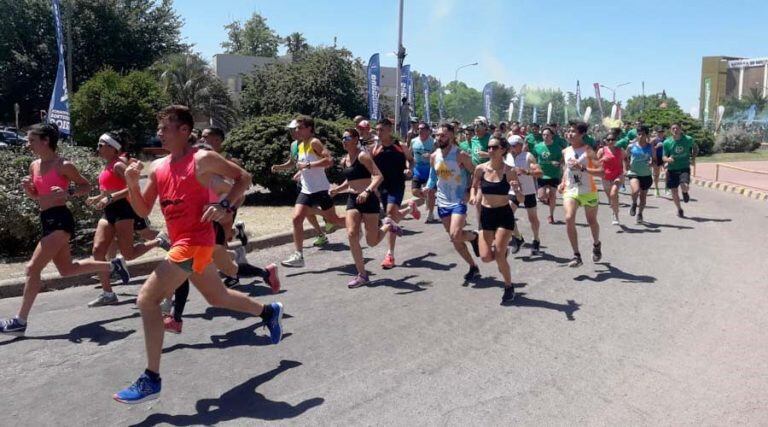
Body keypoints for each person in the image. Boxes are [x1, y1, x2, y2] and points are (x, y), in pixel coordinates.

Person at [113, 105, 284, 404]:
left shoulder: (202, 159)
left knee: (147, 299)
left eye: (165, 128)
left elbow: (244, 177)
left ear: (184, 131)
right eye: (159, 128)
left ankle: (151, 378)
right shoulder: (159, 166)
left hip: (196, 241)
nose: (159, 133)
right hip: (182, 240)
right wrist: (130, 183)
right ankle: (269, 312)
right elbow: (142, 210)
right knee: (218, 299)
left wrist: (226, 206)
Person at [0, 124, 130, 336]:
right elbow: (38, 197)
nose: (28, 144)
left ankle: (20, 321)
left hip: (61, 220)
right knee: (67, 270)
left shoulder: (63, 165)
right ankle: (112, 265)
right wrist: (29, 190)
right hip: (46, 218)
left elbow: (85, 186)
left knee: (32, 269)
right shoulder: (34, 165)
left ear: (45, 141)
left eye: (31, 140)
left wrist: (67, 190)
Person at [86, 132, 166, 307]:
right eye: (98, 145)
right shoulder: (107, 166)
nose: (98, 148)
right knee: (98, 251)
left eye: (101, 145)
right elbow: (108, 189)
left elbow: (132, 188)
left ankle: (159, 240)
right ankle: (108, 294)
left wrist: (110, 197)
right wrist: (99, 197)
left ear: (113, 148)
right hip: (109, 212)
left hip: (124, 211)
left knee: (128, 254)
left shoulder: (118, 166)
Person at [330, 128, 402, 288]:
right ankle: (362, 274)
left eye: (347, 137)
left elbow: (378, 176)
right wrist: (337, 189)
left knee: (372, 242)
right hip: (353, 199)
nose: (343, 140)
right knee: (351, 233)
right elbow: (351, 180)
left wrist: (367, 191)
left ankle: (388, 225)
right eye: (342, 138)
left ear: (356, 139)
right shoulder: (344, 160)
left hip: (369, 199)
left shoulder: (363, 156)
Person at [281, 116, 346, 267]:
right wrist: (300, 171)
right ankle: (298, 256)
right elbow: (300, 165)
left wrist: (309, 165)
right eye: (296, 128)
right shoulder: (300, 144)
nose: (297, 130)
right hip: (306, 190)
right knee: (297, 218)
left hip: (321, 189)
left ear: (309, 128)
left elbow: (329, 160)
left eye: (300, 127)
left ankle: (355, 223)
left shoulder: (314, 142)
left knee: (334, 220)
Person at [426, 123, 481, 283]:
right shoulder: (434, 156)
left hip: (458, 199)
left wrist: (470, 190)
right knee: (454, 238)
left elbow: (475, 172)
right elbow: (432, 176)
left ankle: (474, 237)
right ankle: (473, 266)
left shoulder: (460, 155)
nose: (439, 138)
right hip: (442, 201)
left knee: (455, 234)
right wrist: (428, 187)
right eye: (437, 135)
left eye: (442, 135)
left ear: (451, 136)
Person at [470, 137, 522, 302]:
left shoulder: (509, 171)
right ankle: (502, 250)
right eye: (489, 147)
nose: (490, 150)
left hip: (503, 214)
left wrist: (516, 189)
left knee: (499, 256)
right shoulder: (480, 169)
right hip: (487, 214)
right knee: (485, 257)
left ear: (503, 150)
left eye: (494, 147)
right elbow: (474, 185)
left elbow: (520, 198)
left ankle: (508, 286)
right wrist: (472, 196)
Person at [271, 119, 329, 247]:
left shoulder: (312, 142)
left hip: (317, 184)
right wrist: (279, 167)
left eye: (295, 129)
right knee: (303, 212)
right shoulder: (294, 145)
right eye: (291, 130)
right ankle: (320, 234)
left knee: (308, 211)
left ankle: (330, 218)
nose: (292, 132)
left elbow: (325, 161)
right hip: (303, 185)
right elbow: (292, 163)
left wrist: (305, 168)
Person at [372, 118, 419, 269]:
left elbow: (411, 160)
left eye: (382, 130)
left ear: (390, 130)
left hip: (397, 185)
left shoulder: (401, 146)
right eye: (377, 130)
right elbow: (370, 169)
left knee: (390, 214)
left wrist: (409, 169)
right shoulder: (375, 148)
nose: (379, 133)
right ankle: (410, 209)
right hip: (382, 187)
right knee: (390, 218)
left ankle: (390, 255)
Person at [559, 121, 604, 268]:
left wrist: (583, 168)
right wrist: (562, 182)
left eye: (573, 131)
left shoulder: (588, 151)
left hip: (588, 191)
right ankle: (576, 255)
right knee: (569, 217)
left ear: (582, 134)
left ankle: (596, 244)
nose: (569, 134)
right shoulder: (565, 151)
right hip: (571, 190)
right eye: (568, 131)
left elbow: (601, 171)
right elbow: (567, 169)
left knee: (592, 221)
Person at [505, 135, 542, 255]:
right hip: (513, 190)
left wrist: (525, 171)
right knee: (507, 215)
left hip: (529, 191)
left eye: (514, 145)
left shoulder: (527, 156)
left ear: (521, 145)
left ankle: (536, 240)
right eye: (509, 146)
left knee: (532, 218)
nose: (511, 148)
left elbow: (539, 173)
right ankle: (518, 238)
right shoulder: (507, 157)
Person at [662, 122, 697, 218]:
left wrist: (693, 158)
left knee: (684, 185)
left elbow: (695, 147)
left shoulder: (688, 139)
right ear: (670, 130)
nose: (675, 130)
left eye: (677, 128)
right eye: (673, 128)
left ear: (681, 129)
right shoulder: (667, 142)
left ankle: (685, 192)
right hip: (672, 169)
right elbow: (664, 157)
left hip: (684, 167)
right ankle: (679, 209)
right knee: (674, 191)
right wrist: (668, 159)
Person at [532, 127, 563, 224]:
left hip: (554, 174)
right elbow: (533, 159)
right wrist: (534, 167)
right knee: (541, 196)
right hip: (542, 174)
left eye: (547, 135)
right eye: (544, 135)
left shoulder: (557, 147)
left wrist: (558, 163)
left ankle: (551, 215)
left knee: (553, 195)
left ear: (552, 136)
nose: (545, 136)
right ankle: (546, 198)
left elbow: (562, 159)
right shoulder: (537, 146)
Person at [625, 125, 654, 224]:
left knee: (643, 198)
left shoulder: (651, 147)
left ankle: (640, 214)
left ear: (647, 135)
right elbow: (625, 157)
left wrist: (651, 163)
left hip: (646, 174)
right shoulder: (631, 146)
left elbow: (655, 160)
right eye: (639, 134)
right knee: (635, 190)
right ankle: (633, 203)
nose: (641, 136)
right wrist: (627, 165)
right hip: (634, 172)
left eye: (643, 134)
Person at [597, 129, 625, 225]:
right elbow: (595, 163)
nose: (610, 141)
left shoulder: (620, 150)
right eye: (608, 140)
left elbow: (625, 159)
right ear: (605, 141)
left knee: (613, 195)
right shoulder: (602, 150)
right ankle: (614, 205)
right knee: (611, 199)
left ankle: (615, 215)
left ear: (615, 140)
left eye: (612, 139)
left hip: (618, 175)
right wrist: (601, 159)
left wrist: (625, 170)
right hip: (605, 177)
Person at [410, 122, 436, 222]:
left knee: (431, 192)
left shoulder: (433, 142)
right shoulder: (413, 141)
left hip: (430, 170)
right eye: (419, 129)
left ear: (428, 130)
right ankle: (426, 199)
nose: (420, 130)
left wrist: (430, 156)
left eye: (423, 129)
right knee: (415, 192)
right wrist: (409, 165)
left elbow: (438, 154)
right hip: (418, 169)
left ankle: (430, 214)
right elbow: (410, 154)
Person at [470, 117, 491, 228]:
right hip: (476, 173)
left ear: (485, 127)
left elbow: (500, 154)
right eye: (475, 126)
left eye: (479, 126)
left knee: (486, 202)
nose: (476, 128)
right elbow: (473, 154)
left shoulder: (490, 138)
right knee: (479, 202)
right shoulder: (473, 139)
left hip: (489, 173)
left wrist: (486, 154)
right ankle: (480, 226)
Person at [651, 126, 666, 196]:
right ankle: (656, 188)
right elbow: (650, 150)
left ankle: (667, 187)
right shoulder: (653, 140)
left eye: (662, 132)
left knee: (668, 173)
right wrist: (657, 146)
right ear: (657, 133)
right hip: (656, 158)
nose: (661, 133)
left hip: (665, 158)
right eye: (659, 132)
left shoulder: (666, 140)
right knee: (656, 175)